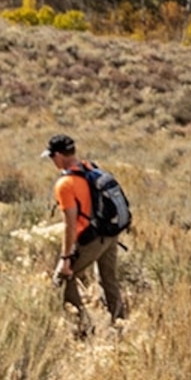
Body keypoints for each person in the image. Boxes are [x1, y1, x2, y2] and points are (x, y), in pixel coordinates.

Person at [46, 134, 128, 335]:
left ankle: (83, 328)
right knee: (109, 278)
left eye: (51, 157)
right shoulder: (91, 168)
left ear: (58, 155)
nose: (52, 161)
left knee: (63, 278)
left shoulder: (65, 184)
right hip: (110, 234)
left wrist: (66, 258)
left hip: (92, 238)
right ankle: (120, 325)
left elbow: (70, 224)